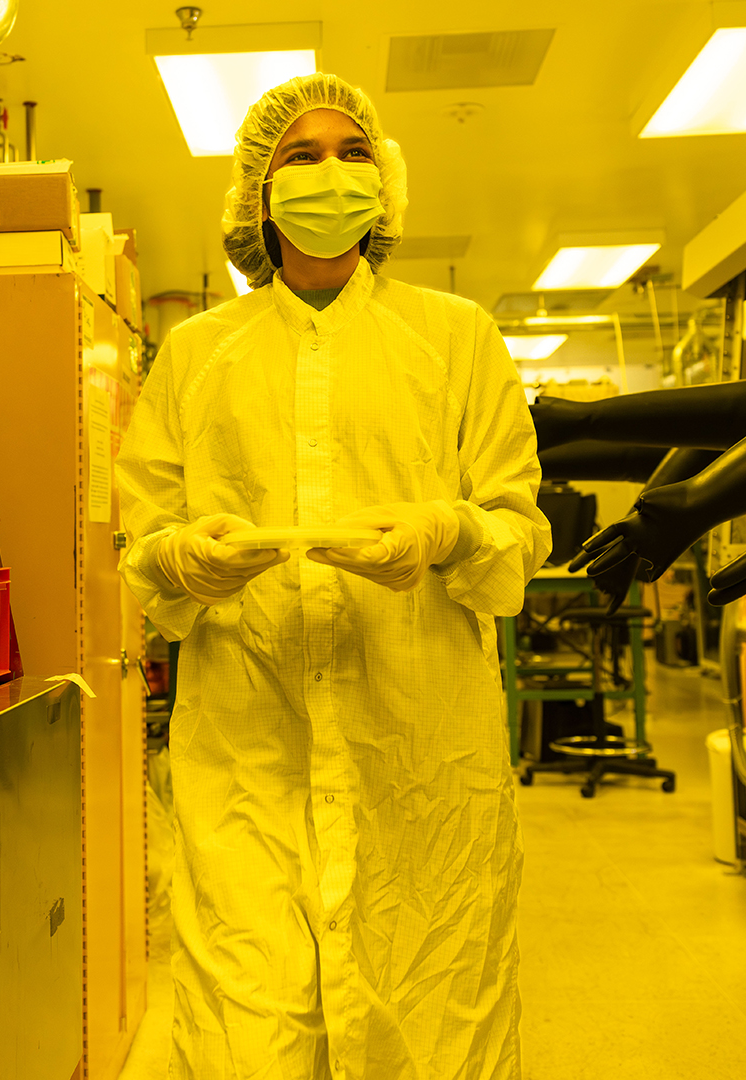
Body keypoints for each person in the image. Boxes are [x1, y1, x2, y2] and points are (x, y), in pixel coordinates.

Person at [115, 73, 549, 1080]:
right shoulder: (195, 354)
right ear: (257, 197)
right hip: (248, 757)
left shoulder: (456, 340)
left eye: (353, 153)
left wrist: (445, 533)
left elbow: (518, 534)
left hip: (420, 754)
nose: (329, 173)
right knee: (247, 1032)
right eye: (299, 157)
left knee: (432, 1016)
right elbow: (147, 552)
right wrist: (185, 560)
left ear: (386, 185)